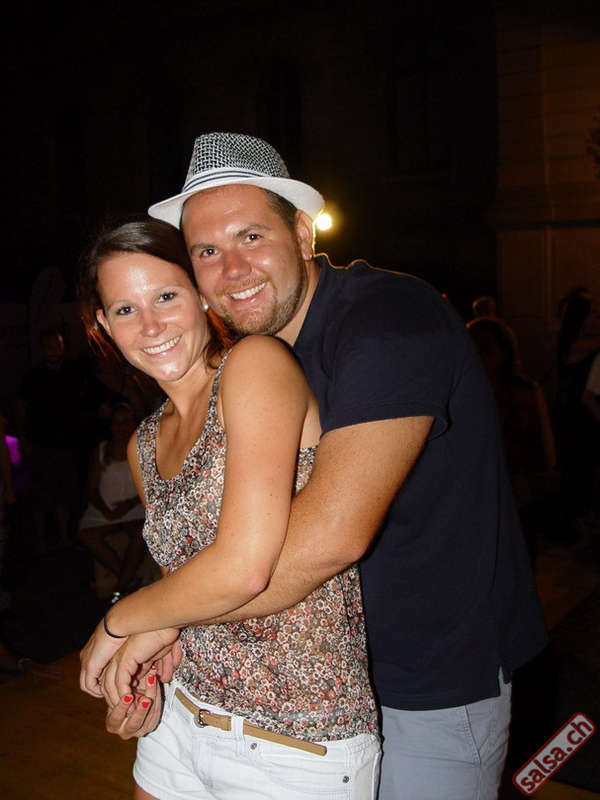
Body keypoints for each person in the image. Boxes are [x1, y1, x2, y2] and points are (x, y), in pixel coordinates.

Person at [135, 132, 546, 800]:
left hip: (429, 681)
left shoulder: (387, 317)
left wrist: (151, 621)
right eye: (207, 251)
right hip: (310, 697)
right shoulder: (248, 366)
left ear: (303, 233)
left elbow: (329, 536)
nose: (231, 268)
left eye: (251, 237)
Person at [78, 217, 380, 799]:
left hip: (294, 741)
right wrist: (150, 673)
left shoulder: (255, 365)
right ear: (104, 325)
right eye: (125, 309)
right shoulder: (143, 444)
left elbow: (244, 569)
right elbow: (182, 587)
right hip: (180, 718)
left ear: (199, 294)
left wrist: (120, 621)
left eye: (167, 296)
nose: (151, 325)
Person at [467, 317, 556, 566]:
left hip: (516, 502)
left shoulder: (524, 394)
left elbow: (545, 458)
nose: (478, 357)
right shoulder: (461, 396)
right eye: (472, 349)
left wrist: (501, 443)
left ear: (503, 353)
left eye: (485, 350)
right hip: (473, 505)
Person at [77, 402, 147, 604]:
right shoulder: (102, 450)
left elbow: (149, 487)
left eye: (125, 422)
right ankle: (129, 580)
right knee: (86, 535)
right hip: (106, 508)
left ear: (133, 424)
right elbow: (91, 488)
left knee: (141, 533)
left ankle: (120, 588)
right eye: (116, 422)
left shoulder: (141, 450)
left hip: (133, 507)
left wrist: (128, 505)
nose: (120, 427)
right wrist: (104, 509)